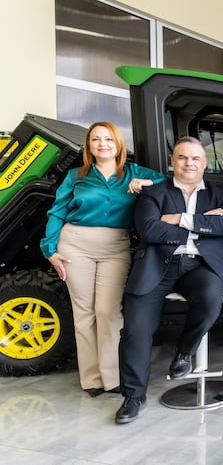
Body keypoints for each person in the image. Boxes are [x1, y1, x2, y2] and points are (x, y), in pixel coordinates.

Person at [115, 137, 223, 424]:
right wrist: (202, 223)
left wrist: (178, 218)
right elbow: (149, 230)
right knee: (135, 330)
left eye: (195, 158)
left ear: (204, 163)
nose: (189, 163)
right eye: (182, 157)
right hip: (157, 265)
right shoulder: (154, 193)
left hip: (200, 267)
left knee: (210, 298)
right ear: (173, 162)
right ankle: (133, 396)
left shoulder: (220, 194)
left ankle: (184, 353)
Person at [41, 122, 165, 398]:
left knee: (108, 311)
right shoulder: (76, 176)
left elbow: (171, 182)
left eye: (108, 139)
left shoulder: (134, 172)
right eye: (96, 139)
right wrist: (50, 249)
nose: (102, 144)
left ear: (118, 144)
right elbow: (57, 212)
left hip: (116, 246)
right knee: (84, 312)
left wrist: (147, 183)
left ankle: (113, 377)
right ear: (89, 146)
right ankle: (92, 379)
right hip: (75, 244)